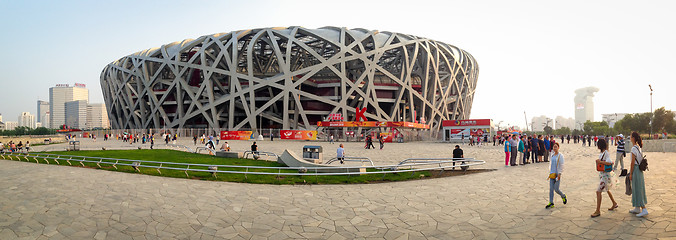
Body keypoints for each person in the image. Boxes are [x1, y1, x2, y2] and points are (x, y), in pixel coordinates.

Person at [591, 139, 618, 218]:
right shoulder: (603, 153)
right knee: (607, 190)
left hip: (605, 176)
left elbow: (610, 162)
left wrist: (600, 162)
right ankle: (614, 203)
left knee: (598, 191)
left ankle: (598, 210)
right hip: (603, 175)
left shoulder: (606, 153)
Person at [629, 132, 649, 217]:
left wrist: (631, 173)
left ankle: (644, 209)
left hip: (636, 170)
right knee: (638, 188)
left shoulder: (634, 148)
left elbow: (632, 162)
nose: (629, 138)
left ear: (633, 138)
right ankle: (637, 207)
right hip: (639, 171)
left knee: (637, 188)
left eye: (630, 136)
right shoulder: (638, 147)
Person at [546, 142, 567, 209]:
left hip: (557, 174)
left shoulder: (560, 156)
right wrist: (550, 172)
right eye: (554, 147)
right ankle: (551, 202)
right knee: (551, 189)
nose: (554, 148)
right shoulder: (552, 155)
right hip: (552, 174)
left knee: (556, 189)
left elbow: (562, 165)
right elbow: (550, 164)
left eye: (556, 147)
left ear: (558, 147)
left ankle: (563, 196)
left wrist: (560, 173)